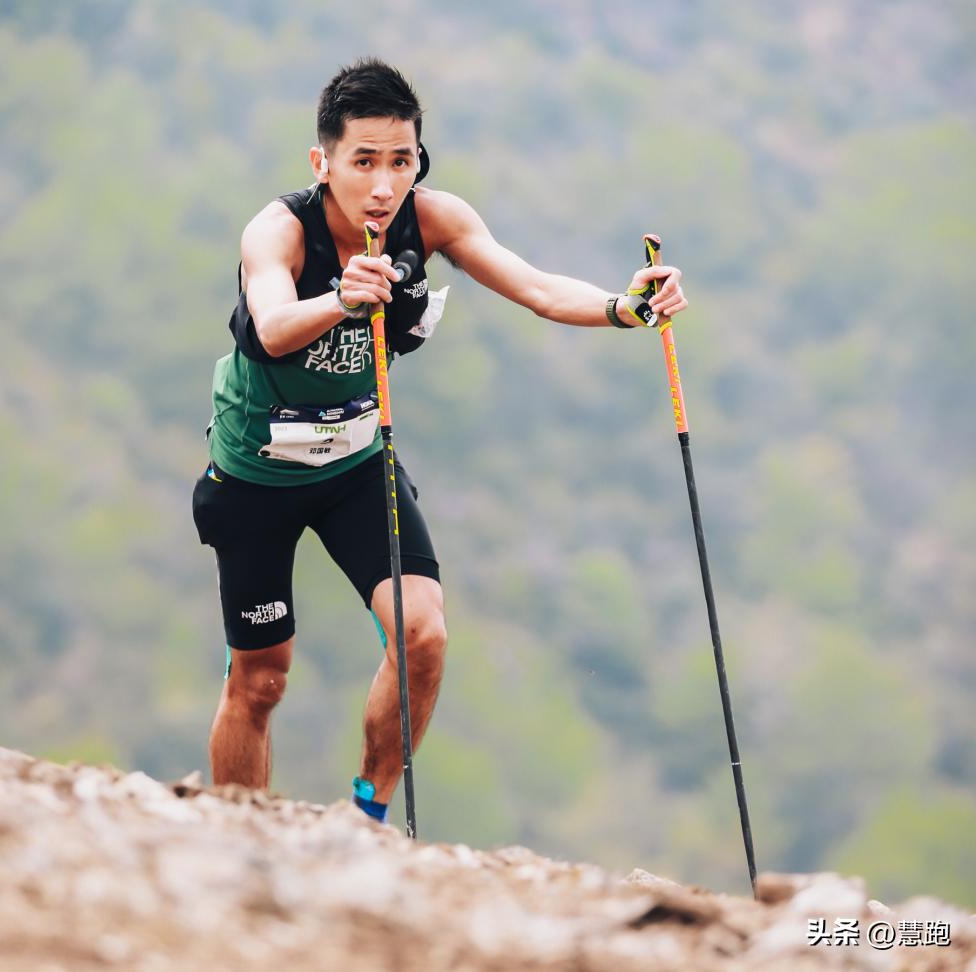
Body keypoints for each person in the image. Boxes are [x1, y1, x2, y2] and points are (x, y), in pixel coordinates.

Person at [192, 58, 687, 824]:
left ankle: (366, 817)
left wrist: (628, 308)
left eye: (402, 162)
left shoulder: (435, 219)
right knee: (262, 681)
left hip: (355, 461)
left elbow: (541, 291)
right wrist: (338, 297)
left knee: (423, 635)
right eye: (364, 163)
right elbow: (271, 323)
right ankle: (233, 836)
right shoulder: (279, 230)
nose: (384, 186)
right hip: (257, 471)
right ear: (322, 163)